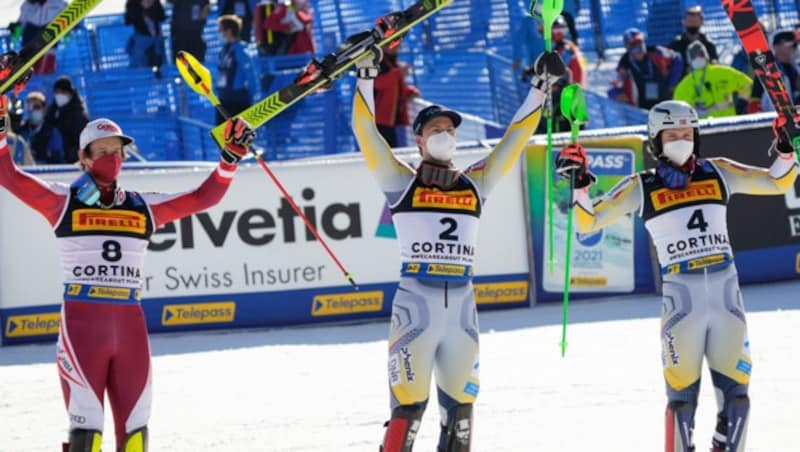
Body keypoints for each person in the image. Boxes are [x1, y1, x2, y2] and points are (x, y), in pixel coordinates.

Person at [0, 65, 256, 450]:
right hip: (83, 322)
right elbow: (10, 176)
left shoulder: (143, 206)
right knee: (87, 438)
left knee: (136, 438)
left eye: (117, 151)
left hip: (130, 323)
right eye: (102, 151)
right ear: (83, 158)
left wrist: (229, 161)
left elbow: (204, 198)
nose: (111, 157)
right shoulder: (62, 201)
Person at [352, 45, 565, 451]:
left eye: (450, 130)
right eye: (436, 130)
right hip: (416, 308)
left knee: (461, 420)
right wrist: (366, 76)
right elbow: (366, 132)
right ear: (419, 140)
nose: (446, 136)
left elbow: (514, 140)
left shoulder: (474, 184)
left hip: (463, 311)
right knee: (407, 415)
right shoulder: (401, 182)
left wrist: (540, 89)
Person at [555, 100, 798, 452]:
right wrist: (578, 185)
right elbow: (588, 221)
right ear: (656, 140)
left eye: (688, 133)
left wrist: (787, 149)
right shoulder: (642, 185)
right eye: (673, 135)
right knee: (682, 404)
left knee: (738, 400)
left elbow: (777, 182)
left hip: (726, 295)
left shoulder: (719, 171)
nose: (682, 140)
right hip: (682, 301)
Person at [673, 41, 752, 118]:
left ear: (706, 56)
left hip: (728, 123)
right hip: (703, 128)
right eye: (694, 55)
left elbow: (747, 84)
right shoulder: (684, 85)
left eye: (701, 54)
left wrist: (742, 103)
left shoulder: (722, 73)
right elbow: (677, 111)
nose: (698, 57)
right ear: (689, 60)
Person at [612, 28, 684, 109]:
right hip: (641, 108)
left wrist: (672, 83)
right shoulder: (624, 64)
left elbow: (677, 58)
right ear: (626, 47)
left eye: (639, 42)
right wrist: (617, 94)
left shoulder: (656, 52)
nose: (637, 47)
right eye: (632, 44)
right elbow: (613, 87)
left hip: (666, 101)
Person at [372, 40, 419, 148]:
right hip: (380, 117)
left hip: (392, 117)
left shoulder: (392, 61)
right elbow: (378, 83)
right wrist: (399, 72)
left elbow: (396, 87)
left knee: (397, 150)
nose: (397, 48)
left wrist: (410, 92)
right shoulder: (377, 61)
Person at [216, 14, 258, 125]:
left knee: (239, 137)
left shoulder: (241, 50)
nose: (219, 33)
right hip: (223, 99)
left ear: (228, 31)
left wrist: (253, 97)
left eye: (221, 30)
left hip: (238, 100)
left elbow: (251, 75)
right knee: (222, 137)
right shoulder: (224, 50)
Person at [748, 30, 800, 113]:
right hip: (771, 120)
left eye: (795, 47)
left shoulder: (797, 70)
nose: (794, 49)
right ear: (776, 47)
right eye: (791, 46)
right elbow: (754, 102)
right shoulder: (765, 71)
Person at [9, 0, 66, 74]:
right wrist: (15, 27)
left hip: (48, 47)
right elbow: (21, 24)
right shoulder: (27, 6)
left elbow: (68, 19)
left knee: (47, 73)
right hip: (30, 47)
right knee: (30, 74)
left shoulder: (58, 4)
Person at [45, 76, 89, 164]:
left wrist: (69, 156)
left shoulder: (78, 116)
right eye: (57, 92)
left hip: (72, 162)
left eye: (63, 92)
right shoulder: (54, 112)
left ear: (71, 94)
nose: (59, 95)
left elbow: (80, 143)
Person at [668, 5, 719, 74]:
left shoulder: (709, 44)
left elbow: (715, 65)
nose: (692, 24)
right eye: (690, 21)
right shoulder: (676, 45)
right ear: (684, 22)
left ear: (701, 22)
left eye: (695, 21)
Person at [19, 90, 64, 164]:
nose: (32, 111)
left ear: (44, 109)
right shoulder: (22, 130)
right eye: (30, 107)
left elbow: (58, 161)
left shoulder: (52, 132)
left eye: (36, 107)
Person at [124, 0, 166, 73]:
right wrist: (141, 7)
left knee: (160, 63)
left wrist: (151, 7)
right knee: (140, 65)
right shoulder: (132, 3)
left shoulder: (155, 2)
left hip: (156, 39)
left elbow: (162, 16)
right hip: (141, 38)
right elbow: (128, 20)